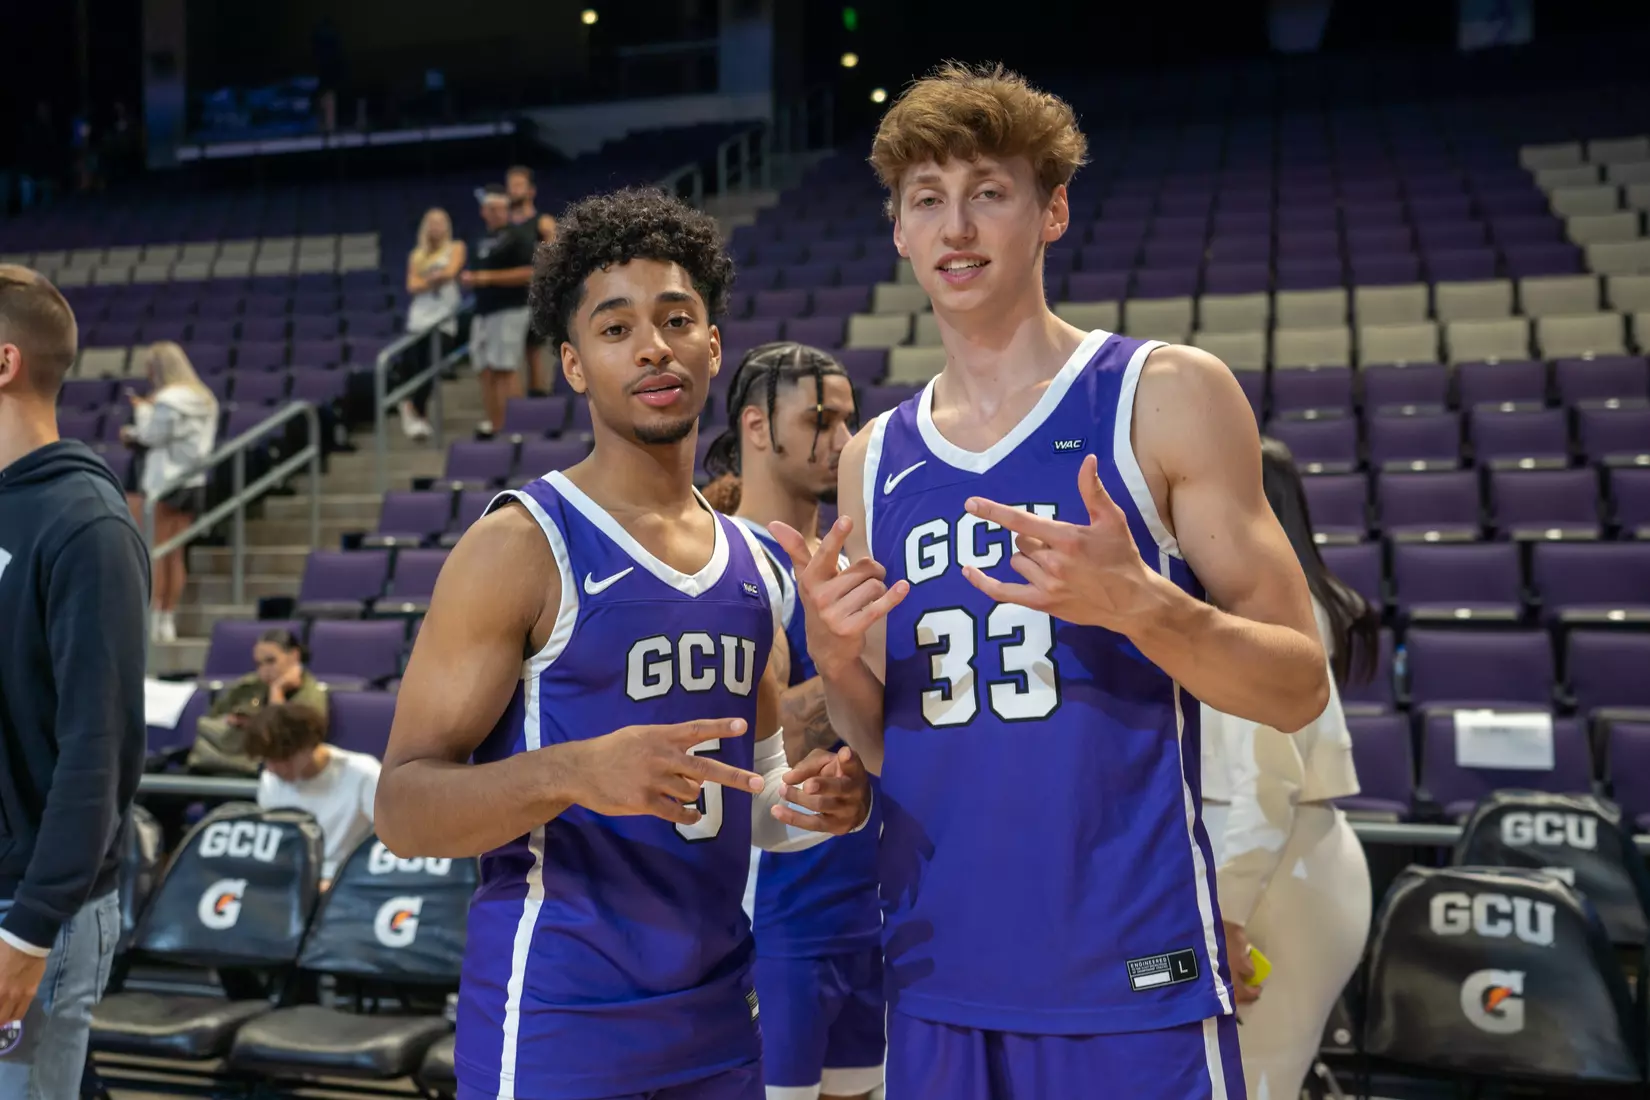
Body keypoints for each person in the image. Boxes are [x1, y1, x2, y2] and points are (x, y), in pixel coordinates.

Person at [771, 63, 1329, 1100]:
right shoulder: (875, 458)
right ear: (897, 230)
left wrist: (1140, 602)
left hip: (1128, 966)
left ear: (1051, 209)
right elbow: (899, 741)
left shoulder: (1165, 394)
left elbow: (1298, 683)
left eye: (989, 191)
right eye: (926, 200)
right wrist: (841, 660)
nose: (957, 226)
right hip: (940, 967)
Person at [374, 187, 875, 1100]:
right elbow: (403, 809)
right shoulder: (521, 544)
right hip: (557, 1024)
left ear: (712, 347)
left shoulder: (756, 565)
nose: (652, 345)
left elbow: (749, 804)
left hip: (722, 1020)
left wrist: (818, 805)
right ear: (572, 364)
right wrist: (574, 773)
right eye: (615, 329)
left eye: (677, 319)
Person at [702, 344, 885, 1100]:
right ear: (754, 424)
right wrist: (871, 676)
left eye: (847, 418)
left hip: (870, 900)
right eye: (819, 419)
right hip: (775, 911)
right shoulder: (723, 557)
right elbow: (752, 738)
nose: (843, 440)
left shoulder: (849, 561)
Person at [0, 265, 149, 1097]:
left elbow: (101, 753)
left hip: (30, 916)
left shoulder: (86, 524)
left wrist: (28, 932)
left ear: (5, 362)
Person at [1202, 437, 1375, 1100]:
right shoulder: (1288, 602)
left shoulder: (1261, 612)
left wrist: (1228, 912)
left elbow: (1265, 780)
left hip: (1267, 875)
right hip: (1284, 863)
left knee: (1249, 1085)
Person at [121, 341, 218, 643]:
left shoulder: (167, 400)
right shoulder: (205, 398)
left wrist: (140, 415)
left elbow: (152, 435)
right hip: (192, 481)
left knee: (157, 554)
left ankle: (153, 619)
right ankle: (167, 619)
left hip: (165, 481)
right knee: (175, 555)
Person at [248, 703, 380, 889]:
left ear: (310, 745)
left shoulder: (362, 773)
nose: (273, 769)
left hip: (347, 881)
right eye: (267, 760)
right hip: (292, 880)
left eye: (283, 759)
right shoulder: (271, 779)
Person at [188, 627, 328, 777]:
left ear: (294, 656)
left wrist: (277, 691)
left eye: (271, 661)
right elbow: (215, 717)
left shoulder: (311, 696)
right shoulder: (248, 686)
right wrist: (231, 720)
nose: (264, 671)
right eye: (259, 664)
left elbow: (285, 744)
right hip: (224, 759)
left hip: (266, 772)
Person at [460, 184, 536, 436]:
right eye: (492, 208)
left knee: (505, 368)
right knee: (485, 369)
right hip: (483, 310)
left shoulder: (518, 236)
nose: (497, 212)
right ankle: (495, 424)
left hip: (510, 308)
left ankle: (515, 429)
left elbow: (529, 272)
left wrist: (486, 278)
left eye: (501, 208)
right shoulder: (477, 239)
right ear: (483, 211)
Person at [400, 207, 467, 440]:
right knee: (418, 371)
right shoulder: (416, 254)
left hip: (443, 318)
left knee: (433, 368)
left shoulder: (456, 247)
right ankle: (420, 416)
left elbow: (449, 272)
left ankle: (411, 409)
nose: (436, 227)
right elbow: (411, 286)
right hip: (419, 319)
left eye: (440, 222)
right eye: (431, 222)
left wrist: (425, 279)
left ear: (447, 226)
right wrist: (433, 278)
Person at [507, 165, 560, 397]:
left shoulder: (542, 223)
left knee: (536, 355)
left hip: (533, 297)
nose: (514, 190)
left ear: (531, 191)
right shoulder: (504, 227)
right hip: (507, 301)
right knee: (511, 363)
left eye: (519, 185)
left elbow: (554, 256)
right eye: (511, 186)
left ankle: (539, 405)